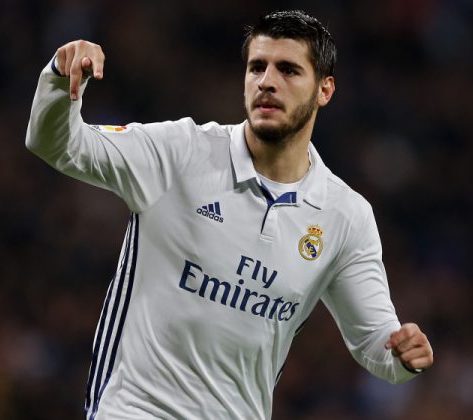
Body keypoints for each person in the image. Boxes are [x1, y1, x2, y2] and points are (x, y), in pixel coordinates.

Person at [26, 10, 433, 419]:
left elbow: (376, 341)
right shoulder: (180, 151)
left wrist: (403, 357)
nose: (267, 82)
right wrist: (60, 81)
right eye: (257, 67)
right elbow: (58, 145)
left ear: (324, 90)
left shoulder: (345, 216)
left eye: (288, 70)